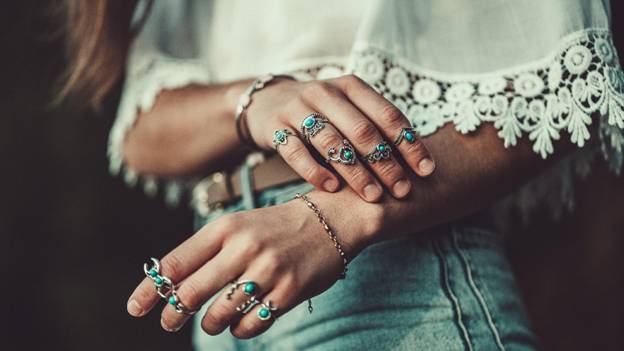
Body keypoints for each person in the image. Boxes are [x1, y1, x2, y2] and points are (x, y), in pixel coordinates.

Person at [60, 0, 624, 350]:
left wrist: (333, 220)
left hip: (397, 283)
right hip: (232, 301)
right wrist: (254, 100)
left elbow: (571, 84)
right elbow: (139, 129)